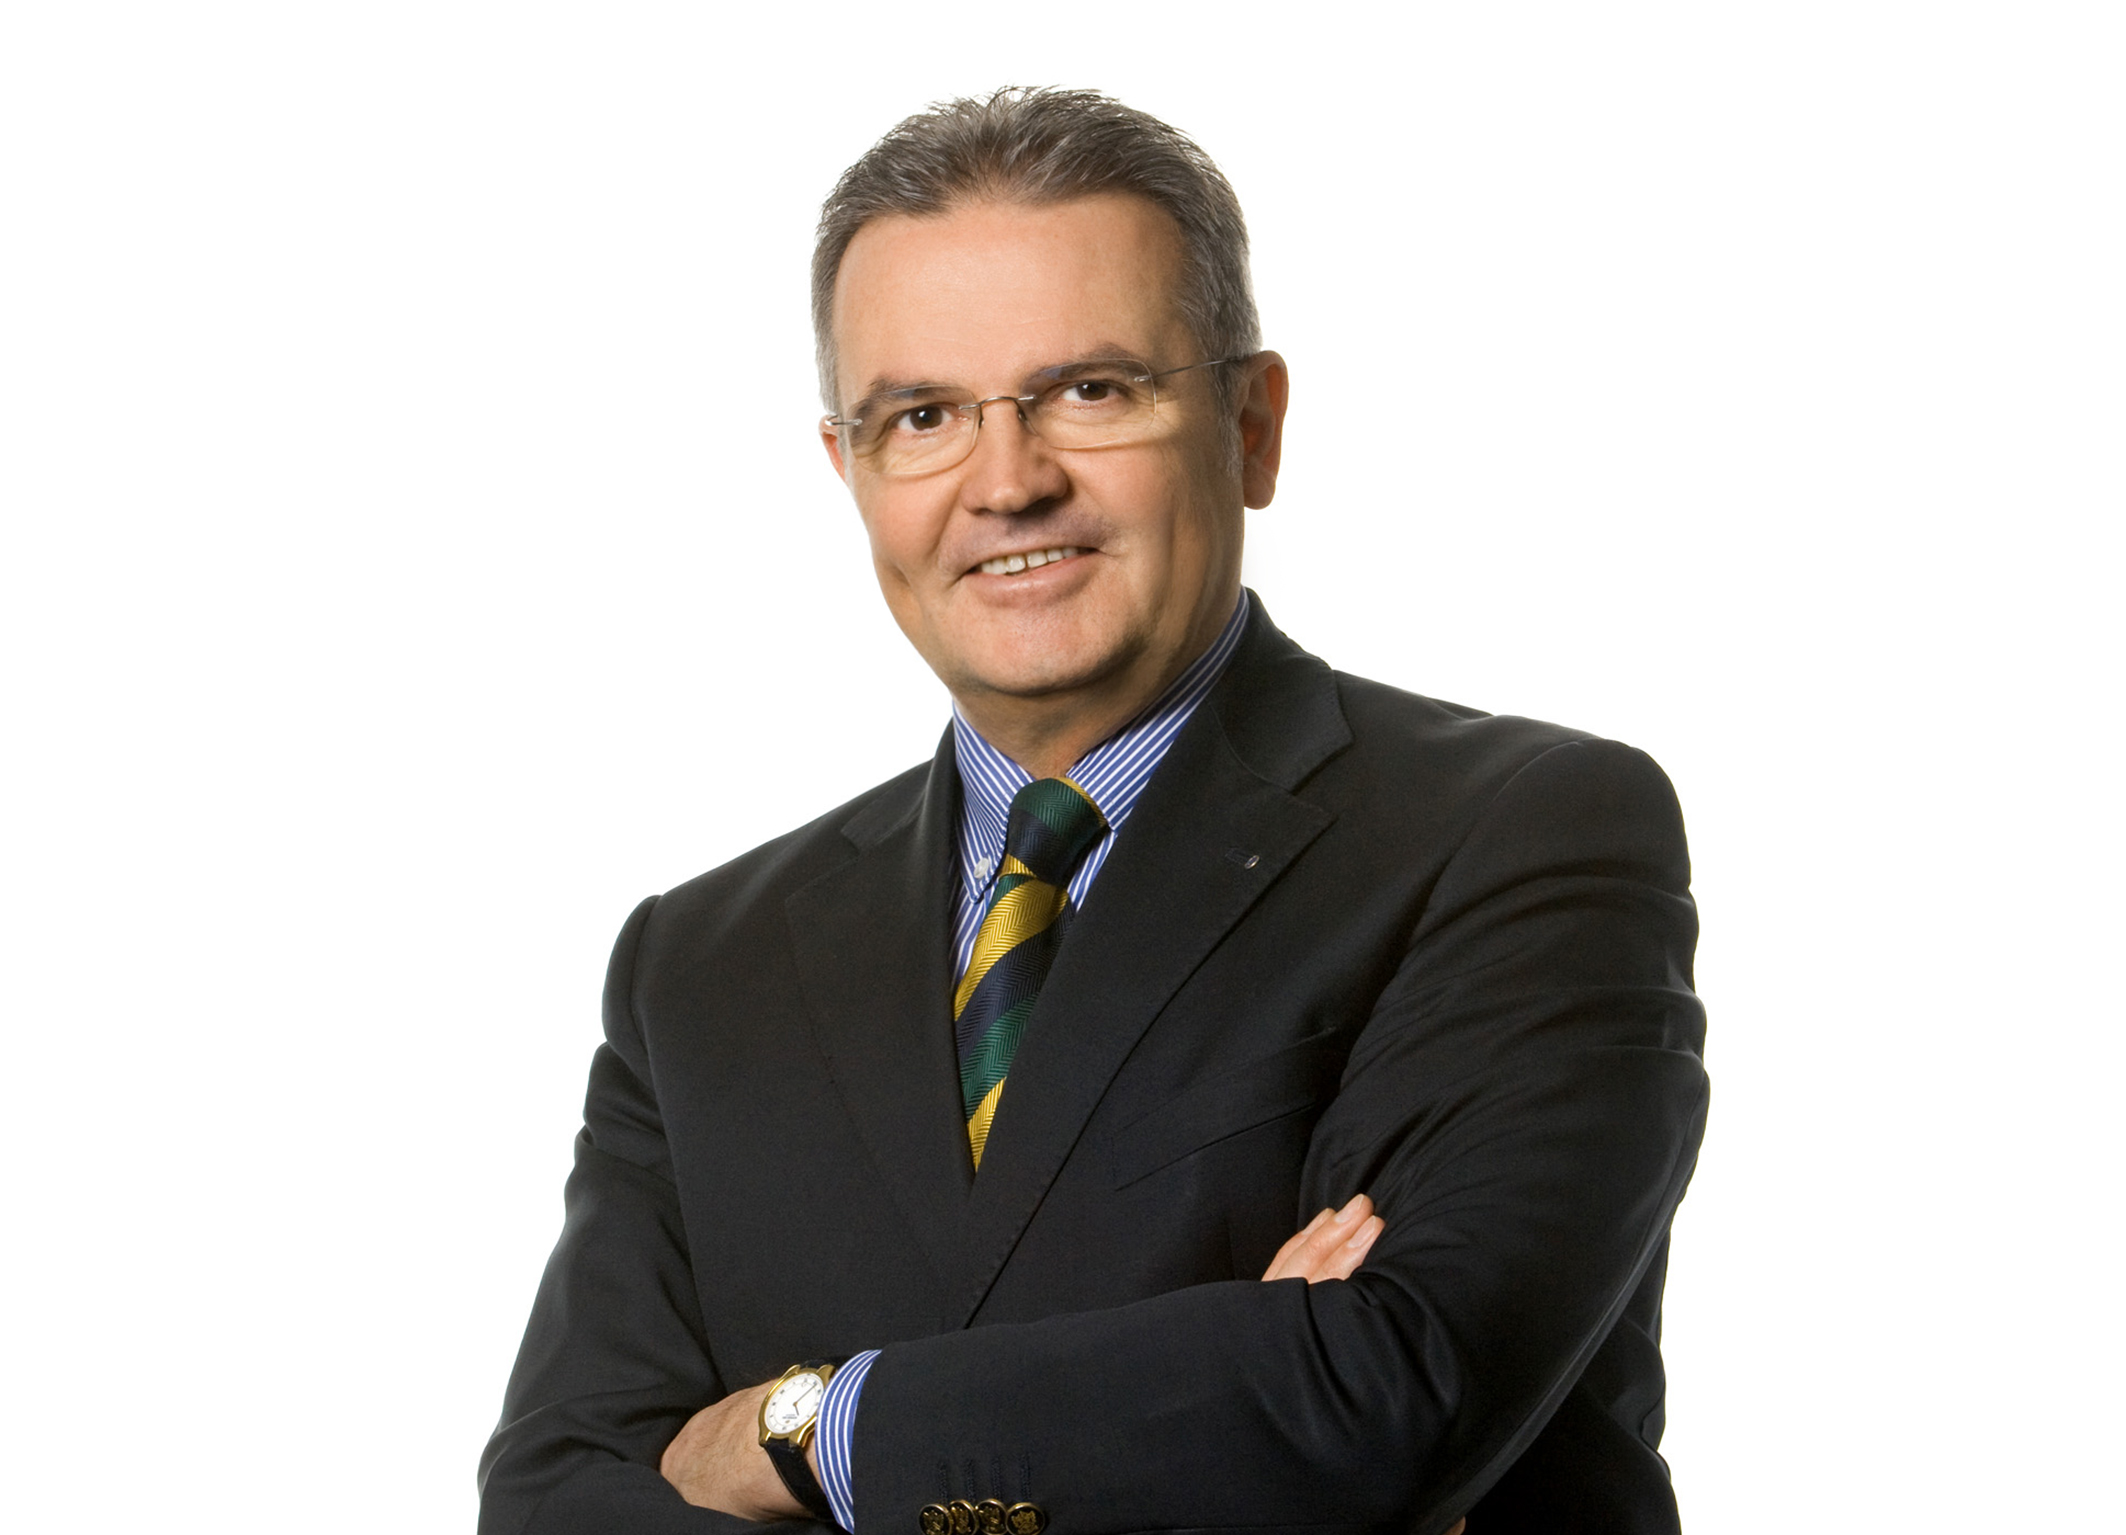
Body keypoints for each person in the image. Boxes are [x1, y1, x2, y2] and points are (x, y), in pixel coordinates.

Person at [479, 87, 1707, 1535]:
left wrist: (799, 1431)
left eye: (1091, 392)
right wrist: (1217, 1384)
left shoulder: (1522, 837)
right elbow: (555, 1502)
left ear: (1251, 425)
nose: (1008, 484)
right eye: (923, 416)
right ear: (850, 470)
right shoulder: (700, 964)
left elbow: (1381, 1397)